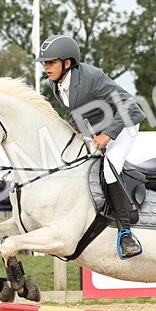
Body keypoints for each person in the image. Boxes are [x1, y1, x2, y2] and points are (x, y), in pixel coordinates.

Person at [38, 34, 146, 259]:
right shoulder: (55, 83)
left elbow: (130, 105)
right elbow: (79, 113)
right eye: (45, 63)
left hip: (122, 126)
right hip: (96, 131)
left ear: (67, 63)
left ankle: (126, 233)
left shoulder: (92, 77)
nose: (46, 67)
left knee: (109, 169)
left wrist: (108, 134)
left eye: (51, 62)